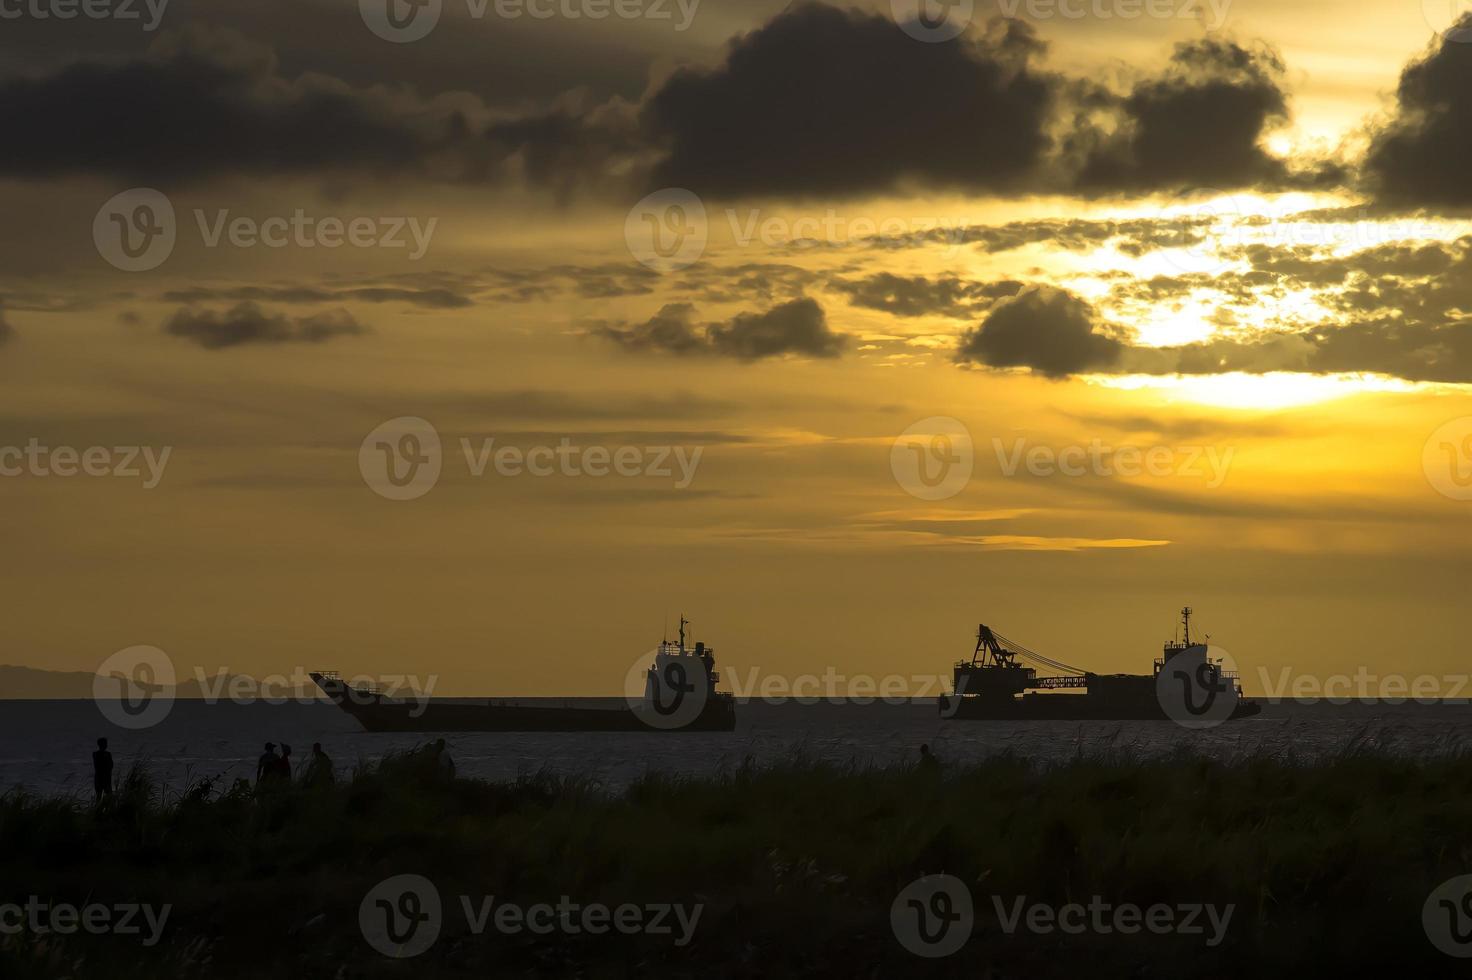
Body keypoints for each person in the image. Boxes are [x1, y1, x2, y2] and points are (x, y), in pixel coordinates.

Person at [92, 737, 114, 803]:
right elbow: (110, 766)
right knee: (107, 796)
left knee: (99, 796)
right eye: (105, 744)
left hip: (100, 778)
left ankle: (98, 810)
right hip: (104, 778)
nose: (106, 745)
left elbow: (110, 766)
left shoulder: (95, 754)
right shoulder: (106, 754)